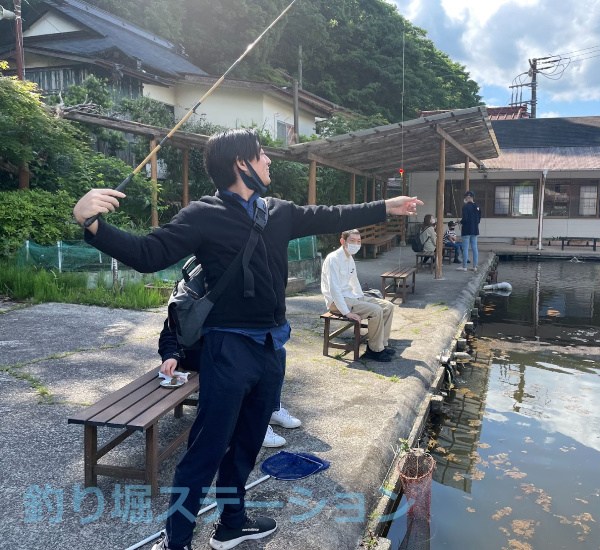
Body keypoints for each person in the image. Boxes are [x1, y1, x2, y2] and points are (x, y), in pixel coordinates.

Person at [72, 128, 422, 550]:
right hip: (227, 351)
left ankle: (231, 525)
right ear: (242, 163)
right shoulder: (203, 214)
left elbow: (332, 214)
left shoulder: (279, 211)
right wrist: (92, 225)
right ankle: (177, 540)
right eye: (262, 156)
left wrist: (387, 205)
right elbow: (149, 254)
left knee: (247, 443)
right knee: (206, 451)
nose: (269, 162)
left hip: (272, 349)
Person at [157, 318, 298, 448]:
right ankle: (253, 426)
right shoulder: (192, 292)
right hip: (196, 351)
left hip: (225, 344)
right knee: (246, 361)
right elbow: (170, 327)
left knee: (278, 352)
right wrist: (170, 355)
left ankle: (271, 409)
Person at [321, 229, 396, 363]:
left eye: (358, 241)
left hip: (352, 297)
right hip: (337, 302)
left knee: (388, 306)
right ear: (342, 241)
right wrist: (347, 313)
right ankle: (374, 350)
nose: (356, 244)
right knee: (376, 310)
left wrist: (362, 298)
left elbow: (353, 281)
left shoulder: (349, 257)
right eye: (352, 241)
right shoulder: (333, 259)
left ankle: (382, 345)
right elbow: (334, 289)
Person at [458, 190, 481, 272]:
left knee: (465, 248)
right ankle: (475, 266)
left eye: (466, 198)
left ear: (467, 198)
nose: (465, 199)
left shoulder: (465, 207)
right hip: (475, 230)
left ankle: (464, 266)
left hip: (466, 230)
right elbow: (478, 220)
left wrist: (460, 222)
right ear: (472, 197)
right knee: (475, 248)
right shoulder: (477, 206)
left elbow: (465, 219)